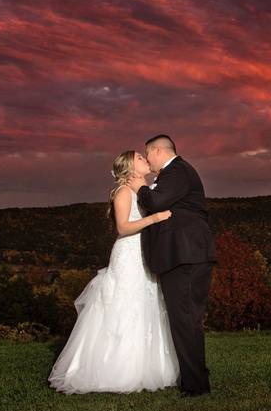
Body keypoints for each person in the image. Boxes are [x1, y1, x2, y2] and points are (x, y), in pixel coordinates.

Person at [48, 150, 178, 394]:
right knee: (125, 305)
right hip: (128, 255)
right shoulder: (123, 192)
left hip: (143, 254)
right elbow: (123, 227)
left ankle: (147, 367)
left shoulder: (142, 191)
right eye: (140, 158)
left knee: (145, 304)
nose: (145, 160)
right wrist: (156, 218)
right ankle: (115, 370)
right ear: (130, 167)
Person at [127, 134, 217, 397]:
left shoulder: (176, 170)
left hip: (186, 255)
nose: (147, 160)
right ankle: (195, 377)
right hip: (184, 254)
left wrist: (140, 188)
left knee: (185, 319)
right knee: (185, 319)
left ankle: (196, 386)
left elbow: (155, 202)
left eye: (147, 154)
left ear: (157, 151)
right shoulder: (177, 172)